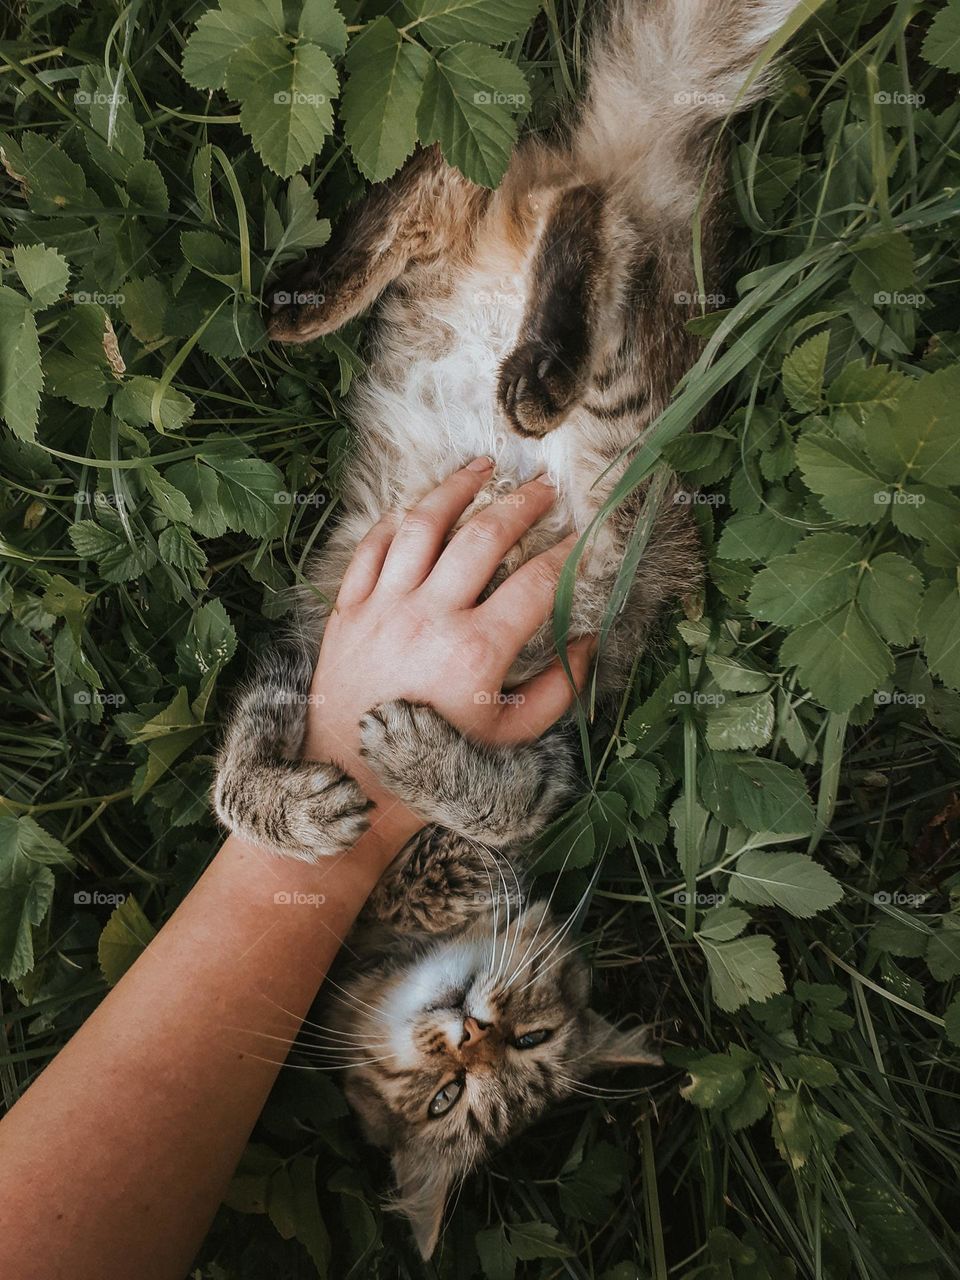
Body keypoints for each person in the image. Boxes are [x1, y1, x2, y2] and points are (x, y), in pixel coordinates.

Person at [0, 460, 595, 1280]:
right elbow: (537, 751)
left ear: (371, 1110)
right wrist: (474, 801)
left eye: (447, 1095)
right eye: (528, 1038)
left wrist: (258, 799)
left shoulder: (282, 977)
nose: (476, 1046)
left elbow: (297, 679)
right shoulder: (487, 899)